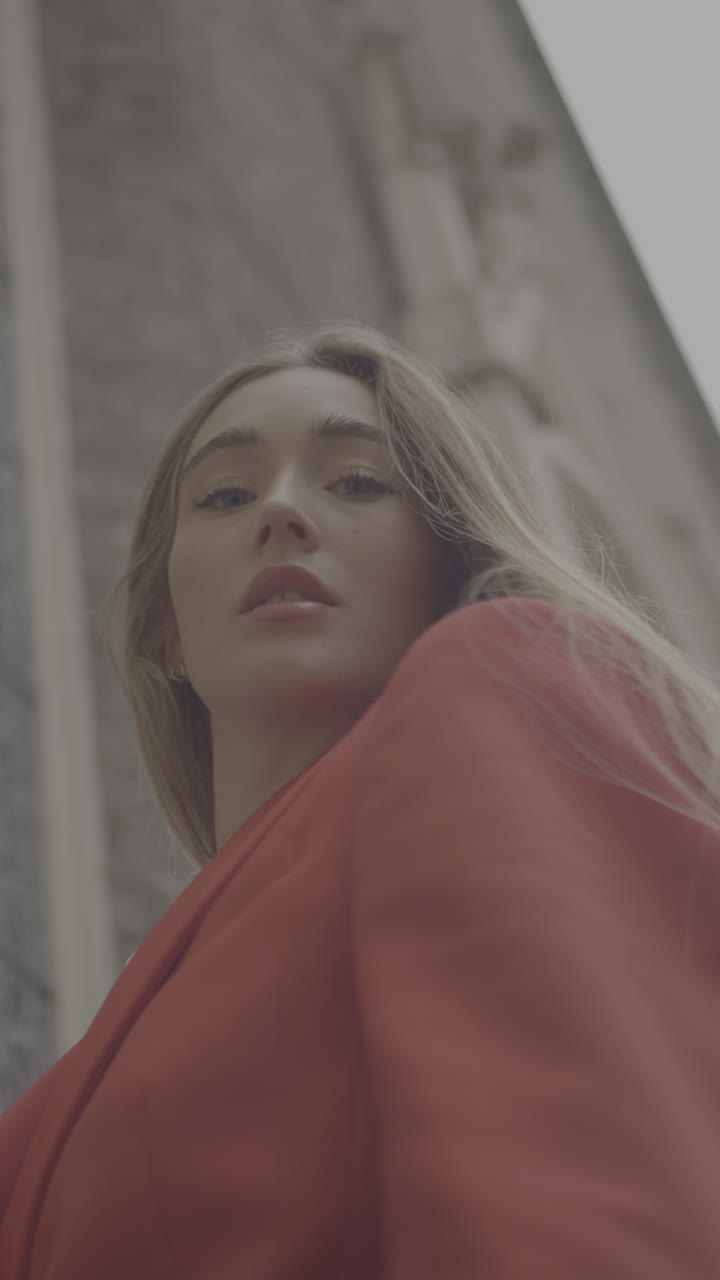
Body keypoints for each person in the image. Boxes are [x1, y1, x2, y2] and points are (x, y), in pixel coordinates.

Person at [2, 321, 720, 1278]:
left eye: (356, 482)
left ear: (445, 562)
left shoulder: (505, 674)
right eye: (225, 494)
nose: (284, 512)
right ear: (165, 631)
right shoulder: (46, 1118)